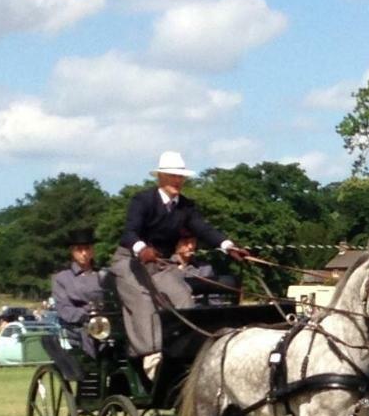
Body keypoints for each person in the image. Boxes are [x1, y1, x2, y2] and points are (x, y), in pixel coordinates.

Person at [110, 151, 248, 377]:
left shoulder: (186, 207)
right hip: (131, 261)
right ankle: (151, 357)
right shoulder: (143, 200)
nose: (178, 181)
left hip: (161, 264)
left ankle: (187, 353)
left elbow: (203, 229)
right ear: (161, 177)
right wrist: (141, 248)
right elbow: (129, 233)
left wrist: (228, 246)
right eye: (173, 176)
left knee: (182, 294)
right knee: (143, 299)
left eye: (181, 177)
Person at [52, 227, 107, 356]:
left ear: (92, 250)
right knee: (91, 332)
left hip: (107, 323)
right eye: (79, 250)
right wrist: (87, 315)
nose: (84, 253)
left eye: (87, 249)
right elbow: (64, 309)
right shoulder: (62, 278)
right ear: (72, 252)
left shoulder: (104, 275)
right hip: (79, 327)